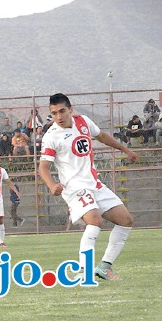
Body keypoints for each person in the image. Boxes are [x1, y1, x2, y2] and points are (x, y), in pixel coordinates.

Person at [39, 93, 138, 281]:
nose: (58, 117)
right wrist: (51, 185)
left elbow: (101, 136)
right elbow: (43, 167)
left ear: (70, 109)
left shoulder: (83, 121)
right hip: (74, 188)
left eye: (62, 111)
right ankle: (85, 271)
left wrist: (125, 150)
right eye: (54, 113)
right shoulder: (51, 136)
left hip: (94, 184)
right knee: (94, 220)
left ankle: (104, 266)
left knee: (126, 220)